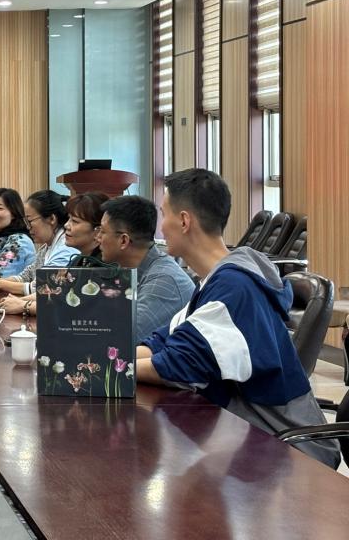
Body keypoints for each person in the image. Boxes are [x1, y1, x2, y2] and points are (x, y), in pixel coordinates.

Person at [136, 168, 339, 468]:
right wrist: (108, 360)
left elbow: (179, 365)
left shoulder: (235, 286)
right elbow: (163, 341)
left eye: (164, 215)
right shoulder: (215, 280)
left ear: (184, 221)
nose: (161, 227)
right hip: (246, 442)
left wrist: (109, 368)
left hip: (284, 454)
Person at [98, 195, 195, 343]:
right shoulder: (133, 270)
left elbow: (122, 340)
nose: (98, 237)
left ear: (123, 240)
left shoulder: (164, 282)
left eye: (103, 231)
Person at [0, 190, 79, 313]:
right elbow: (27, 276)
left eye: (29, 221)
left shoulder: (20, 241)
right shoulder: (45, 247)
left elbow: (44, 287)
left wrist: (0, 284)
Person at [63, 191, 109, 261]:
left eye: (75, 221)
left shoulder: (104, 264)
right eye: (69, 218)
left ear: (98, 231)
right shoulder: (77, 260)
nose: (66, 225)